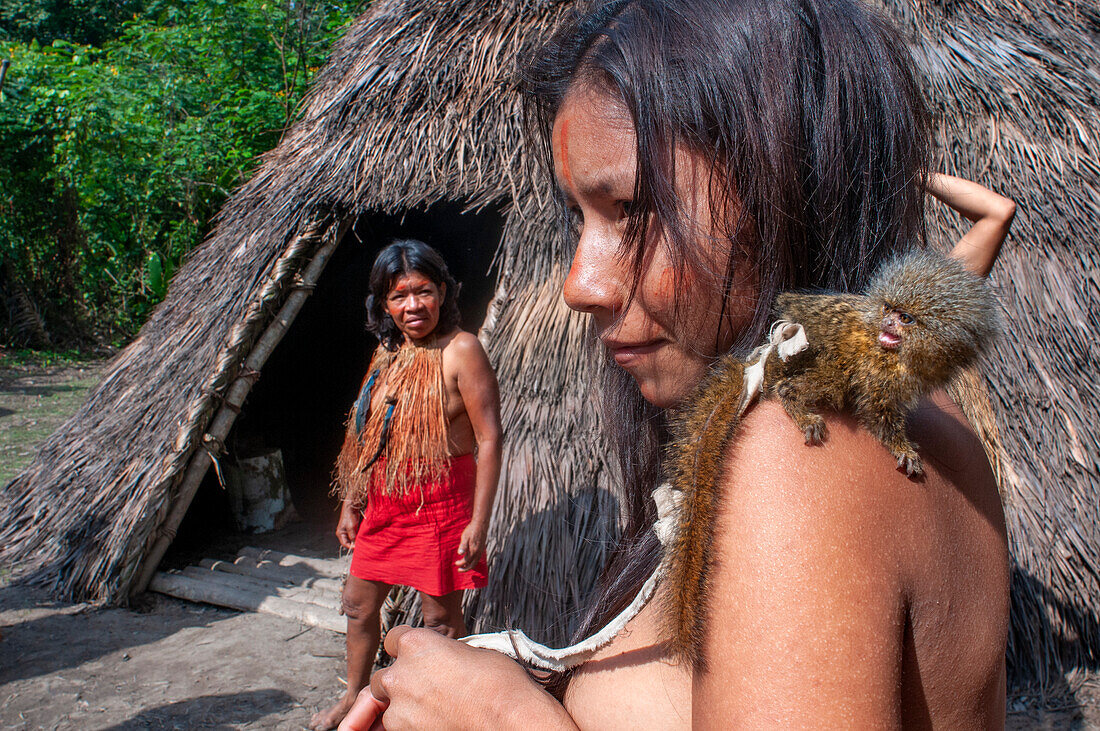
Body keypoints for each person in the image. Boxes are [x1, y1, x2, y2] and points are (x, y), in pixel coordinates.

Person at [337, 0, 1016, 727]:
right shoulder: (899, 408)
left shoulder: (802, 449)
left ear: (785, 187)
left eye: (634, 208)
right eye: (580, 217)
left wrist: (505, 717)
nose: (579, 284)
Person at [309, 239, 502, 731]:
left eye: (422, 292)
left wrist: (478, 524)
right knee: (357, 604)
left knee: (439, 622)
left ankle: (442, 710)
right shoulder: (388, 351)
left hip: (442, 502)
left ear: (442, 290)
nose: (412, 306)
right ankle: (354, 695)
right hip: (387, 501)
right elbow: (368, 433)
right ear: (384, 303)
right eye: (399, 296)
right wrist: (352, 502)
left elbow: (489, 439)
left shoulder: (462, 350)